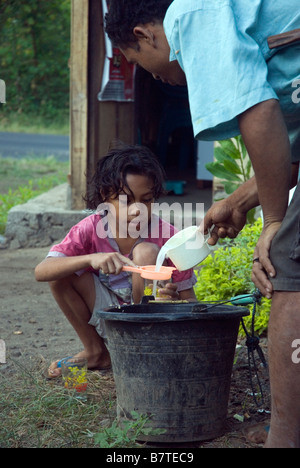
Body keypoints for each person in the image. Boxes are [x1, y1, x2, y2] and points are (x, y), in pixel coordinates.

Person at [105, 0, 300, 448]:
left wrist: (273, 221)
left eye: (142, 65)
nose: (154, 77)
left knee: (287, 266)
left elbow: (259, 112)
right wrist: (237, 201)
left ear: (145, 34)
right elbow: (288, 158)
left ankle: (286, 439)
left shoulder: (190, 16)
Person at [35, 143, 196, 379]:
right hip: (110, 316)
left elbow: (191, 303)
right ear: (104, 197)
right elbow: (42, 271)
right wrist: (91, 257)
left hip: (153, 329)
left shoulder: (169, 238)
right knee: (61, 274)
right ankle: (96, 352)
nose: (137, 210)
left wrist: (170, 303)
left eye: (146, 200)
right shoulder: (90, 229)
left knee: (146, 252)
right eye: (126, 201)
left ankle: (140, 354)